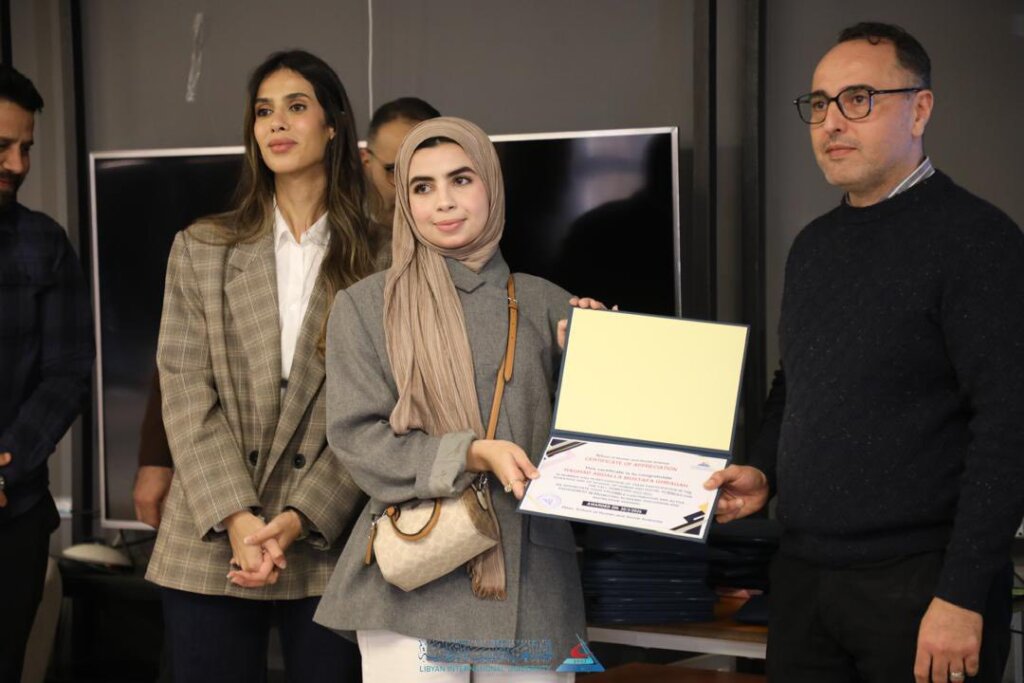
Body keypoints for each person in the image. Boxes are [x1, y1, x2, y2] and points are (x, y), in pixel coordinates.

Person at [704, 22, 1024, 683]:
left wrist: (963, 592)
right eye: (820, 103)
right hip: (804, 579)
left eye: (859, 99)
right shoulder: (813, 246)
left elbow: (1010, 424)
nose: (832, 122)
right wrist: (764, 470)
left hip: (922, 585)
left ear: (920, 109)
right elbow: (795, 383)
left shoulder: (979, 240)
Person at [315, 117, 603, 682]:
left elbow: (591, 455)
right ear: (404, 201)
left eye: (461, 180)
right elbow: (359, 440)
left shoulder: (551, 304)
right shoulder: (367, 306)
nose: (443, 202)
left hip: (531, 586)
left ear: (492, 186)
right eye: (422, 187)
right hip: (415, 582)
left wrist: (596, 362)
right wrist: (470, 454)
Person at [146, 49, 374, 682]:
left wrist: (300, 518)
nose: (277, 123)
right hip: (212, 526)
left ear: (333, 125)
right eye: (263, 111)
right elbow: (185, 390)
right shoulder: (201, 247)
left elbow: (384, 407)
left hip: (327, 531)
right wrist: (239, 517)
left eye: (296, 107)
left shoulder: (383, 255)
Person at [128, 99, 440, 527]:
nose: (412, 185)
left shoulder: (408, 251)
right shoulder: (235, 240)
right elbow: (188, 360)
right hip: (235, 473)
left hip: (344, 490)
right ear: (366, 161)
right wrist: (155, 457)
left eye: (431, 174)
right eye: (395, 170)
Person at [0, 64, 94, 681]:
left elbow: (68, 373)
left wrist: (5, 463)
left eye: (26, 148)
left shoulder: (44, 243)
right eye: (2, 147)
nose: (17, 164)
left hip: (14, 509)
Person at [361, 97, 441, 224]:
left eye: (425, 176)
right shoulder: (336, 231)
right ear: (365, 161)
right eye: (394, 171)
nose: (407, 191)